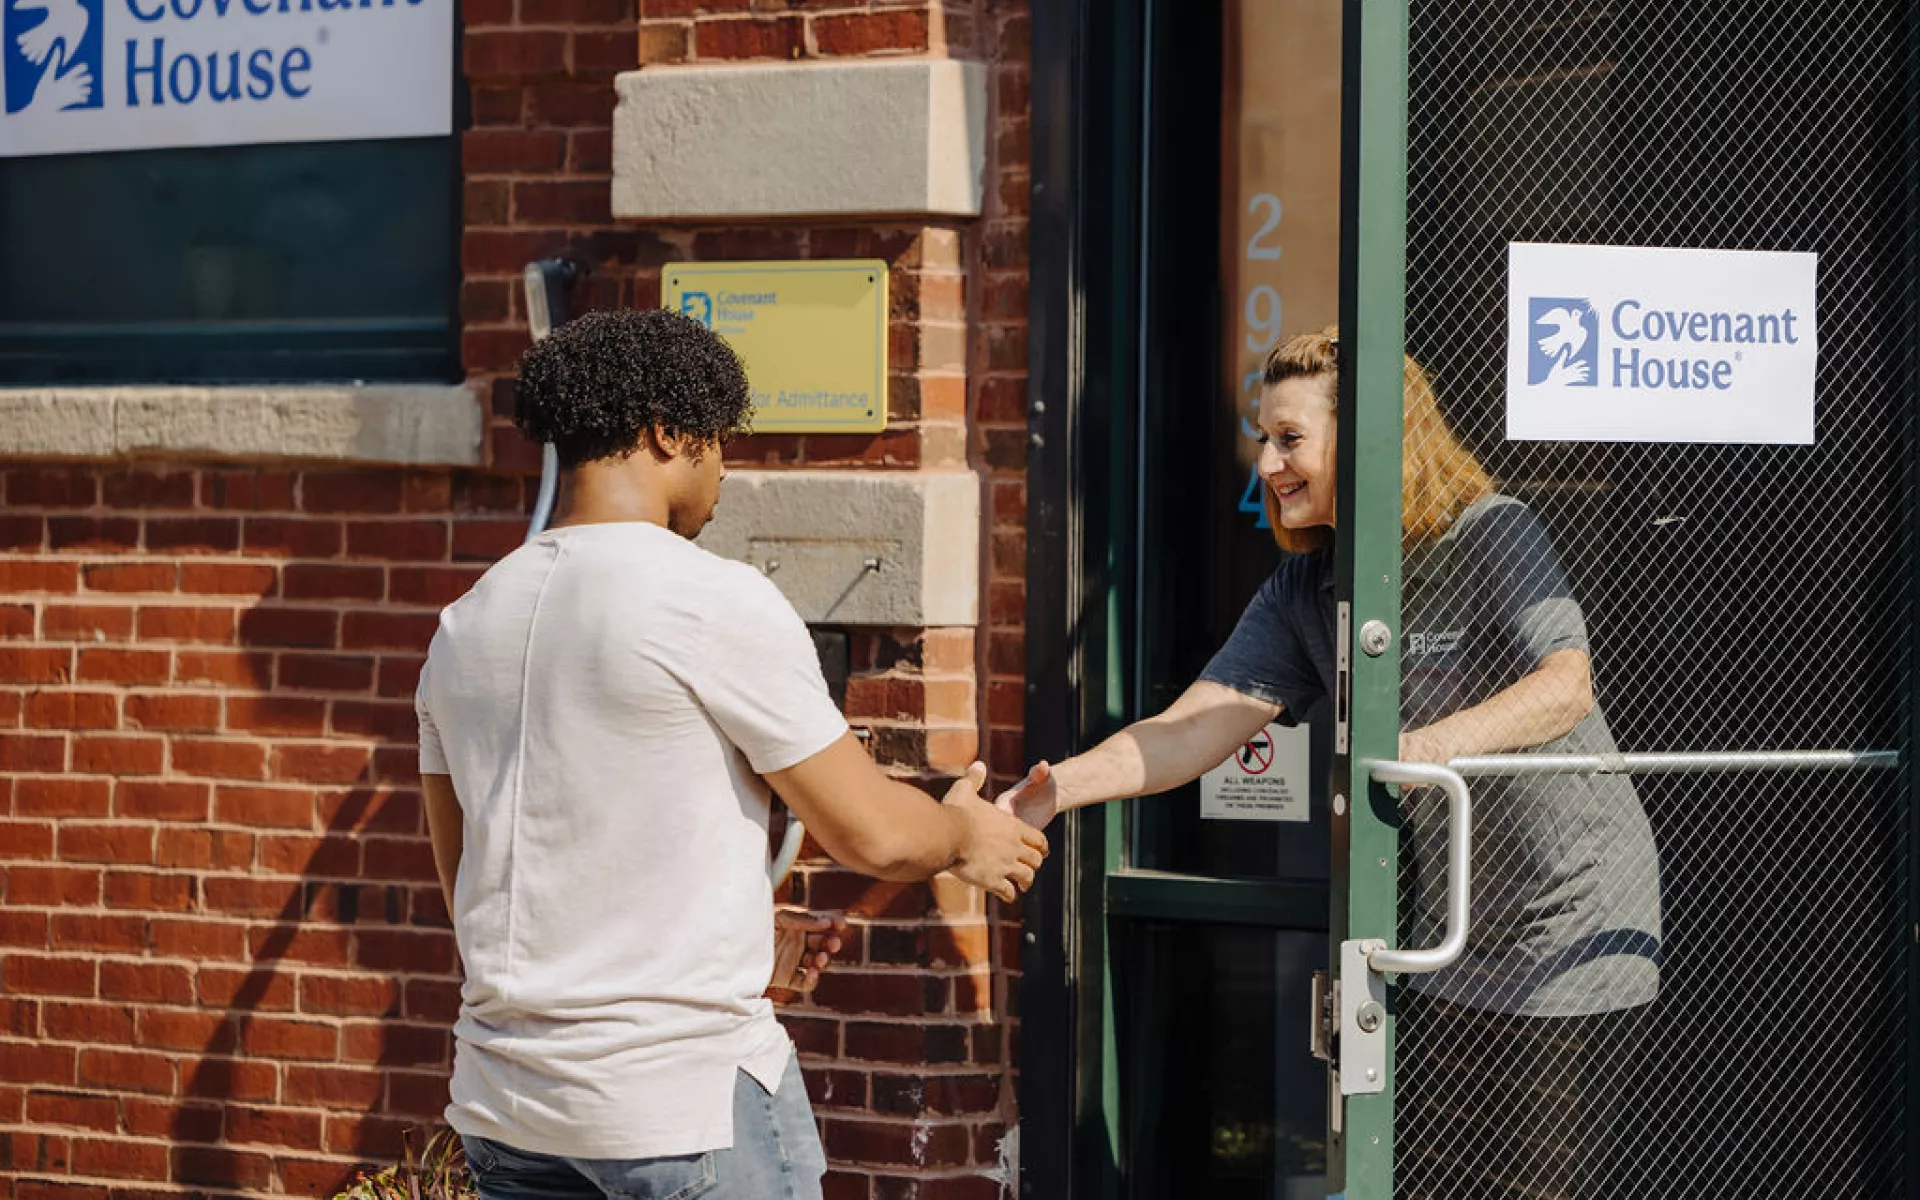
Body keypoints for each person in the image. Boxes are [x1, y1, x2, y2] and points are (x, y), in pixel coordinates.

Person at [1002, 327, 1660, 1198]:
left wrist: (1422, 750)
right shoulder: (1310, 586)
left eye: (1290, 439)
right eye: (1263, 440)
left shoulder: (1489, 530)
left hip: (1574, 928)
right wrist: (1054, 792)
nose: (1268, 463)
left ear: (1373, 436)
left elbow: (1566, 686)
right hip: (1456, 938)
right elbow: (1192, 727)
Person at [415, 308, 1049, 1200]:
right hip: (681, 1107)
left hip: (510, 1107)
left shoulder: (465, 623)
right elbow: (874, 835)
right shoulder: (706, 599)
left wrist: (726, 923)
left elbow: (475, 882)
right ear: (669, 433)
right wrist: (964, 834)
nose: (723, 470)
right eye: (718, 443)